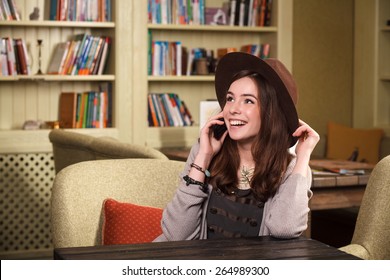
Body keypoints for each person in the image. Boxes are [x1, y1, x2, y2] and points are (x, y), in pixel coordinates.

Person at [154, 52, 320, 241]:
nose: (232, 109)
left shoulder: (294, 169)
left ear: (271, 114)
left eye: (248, 101)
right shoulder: (205, 151)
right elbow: (176, 233)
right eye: (230, 98)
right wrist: (204, 157)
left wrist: (303, 154)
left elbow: (285, 229)